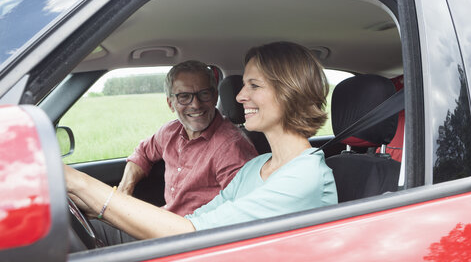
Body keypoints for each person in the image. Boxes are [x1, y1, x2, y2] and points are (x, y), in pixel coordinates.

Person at [64, 42, 337, 245]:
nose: (239, 96)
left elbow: (194, 233)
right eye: (243, 85)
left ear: (290, 93)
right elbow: (195, 222)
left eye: (254, 85)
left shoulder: (304, 177)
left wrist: (80, 183)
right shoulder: (256, 167)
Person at [119, 60, 257, 216]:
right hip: (165, 220)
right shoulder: (169, 132)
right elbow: (142, 153)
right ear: (171, 103)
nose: (196, 105)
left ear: (214, 96)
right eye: (184, 97)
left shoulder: (231, 147)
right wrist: (124, 192)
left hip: (192, 233)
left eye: (204, 94)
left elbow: (241, 208)